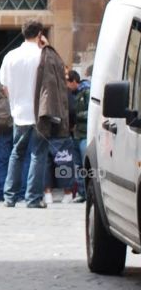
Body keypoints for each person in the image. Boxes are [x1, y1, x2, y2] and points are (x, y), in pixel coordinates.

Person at [0, 20, 51, 209]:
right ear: (39, 35)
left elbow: (3, 86)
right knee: (38, 154)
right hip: (40, 113)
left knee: (16, 153)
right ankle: (33, 198)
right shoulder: (43, 55)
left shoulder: (11, 56)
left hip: (19, 112)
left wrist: (15, 100)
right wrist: (47, 46)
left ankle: (9, 197)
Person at [66, 68, 89, 202]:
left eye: (68, 82)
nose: (67, 85)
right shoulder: (72, 94)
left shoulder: (86, 91)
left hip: (84, 133)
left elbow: (91, 111)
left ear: (75, 81)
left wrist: (76, 116)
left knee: (86, 166)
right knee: (77, 165)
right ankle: (82, 192)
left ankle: (88, 192)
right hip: (76, 134)